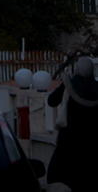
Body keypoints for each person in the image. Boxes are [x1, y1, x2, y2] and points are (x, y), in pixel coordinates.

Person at [48, 55, 98, 192]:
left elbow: (51, 101)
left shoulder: (69, 84)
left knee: (61, 176)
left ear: (77, 70)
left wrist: (65, 82)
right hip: (93, 144)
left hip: (69, 142)